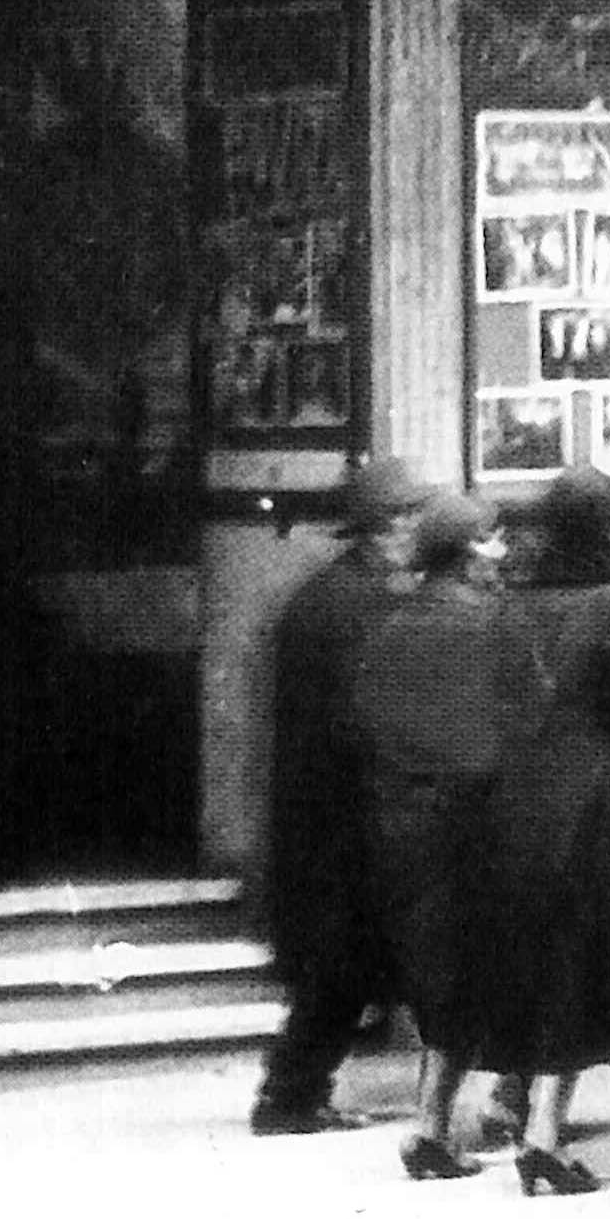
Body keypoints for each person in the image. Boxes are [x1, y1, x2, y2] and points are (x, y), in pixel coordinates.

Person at [465, 469, 610, 1196]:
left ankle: (512, 1102)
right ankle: (543, 1137)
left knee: (525, 956)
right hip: (592, 800)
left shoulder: (506, 606)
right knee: (577, 966)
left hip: (512, 797)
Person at [250, 456, 424, 1138]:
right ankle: (290, 1096)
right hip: (346, 811)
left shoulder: (322, 595)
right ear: (379, 528)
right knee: (339, 968)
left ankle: (297, 1092)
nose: (412, 528)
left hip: (319, 806)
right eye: (404, 517)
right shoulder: (364, 603)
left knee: (340, 969)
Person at [358, 495, 512, 1183]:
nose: (500, 555)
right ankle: (447, 1124)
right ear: (466, 551)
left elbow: (363, 718)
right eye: (489, 542)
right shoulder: (489, 626)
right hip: (474, 819)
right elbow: (523, 714)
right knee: (481, 969)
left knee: (442, 976)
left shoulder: (392, 627)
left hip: (402, 820)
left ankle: (436, 1125)